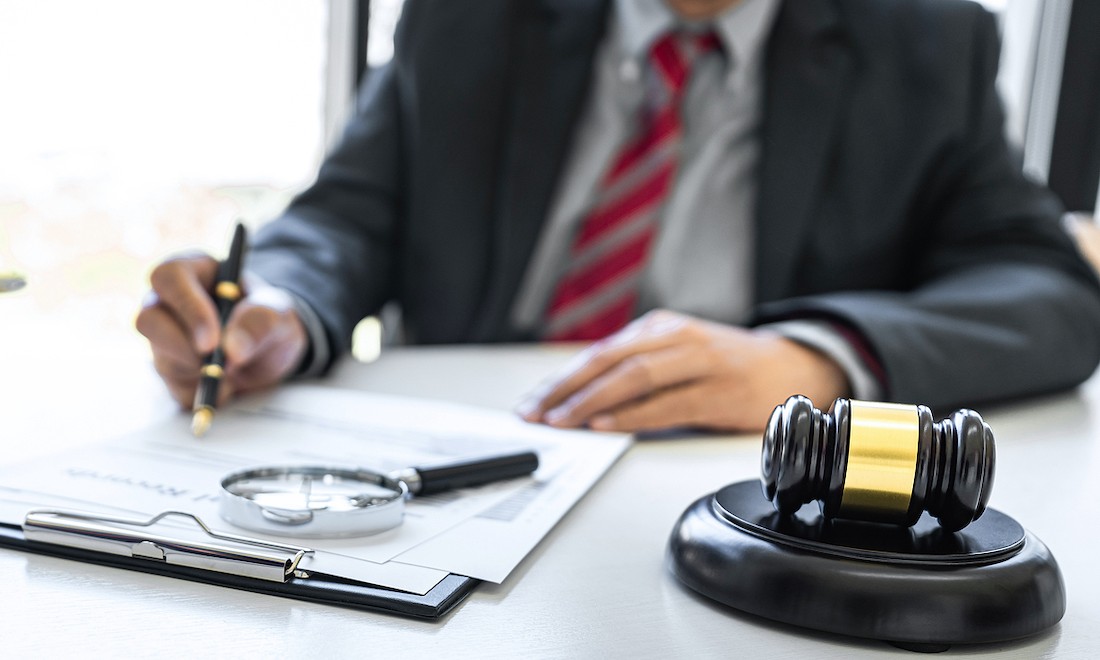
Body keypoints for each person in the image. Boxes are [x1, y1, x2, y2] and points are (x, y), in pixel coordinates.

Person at [137, 0, 1100, 434]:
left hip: (724, 483)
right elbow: (347, 218)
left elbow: (1049, 291)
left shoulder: (928, 42)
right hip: (463, 458)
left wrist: (816, 362)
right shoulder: (471, 17)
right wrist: (276, 301)